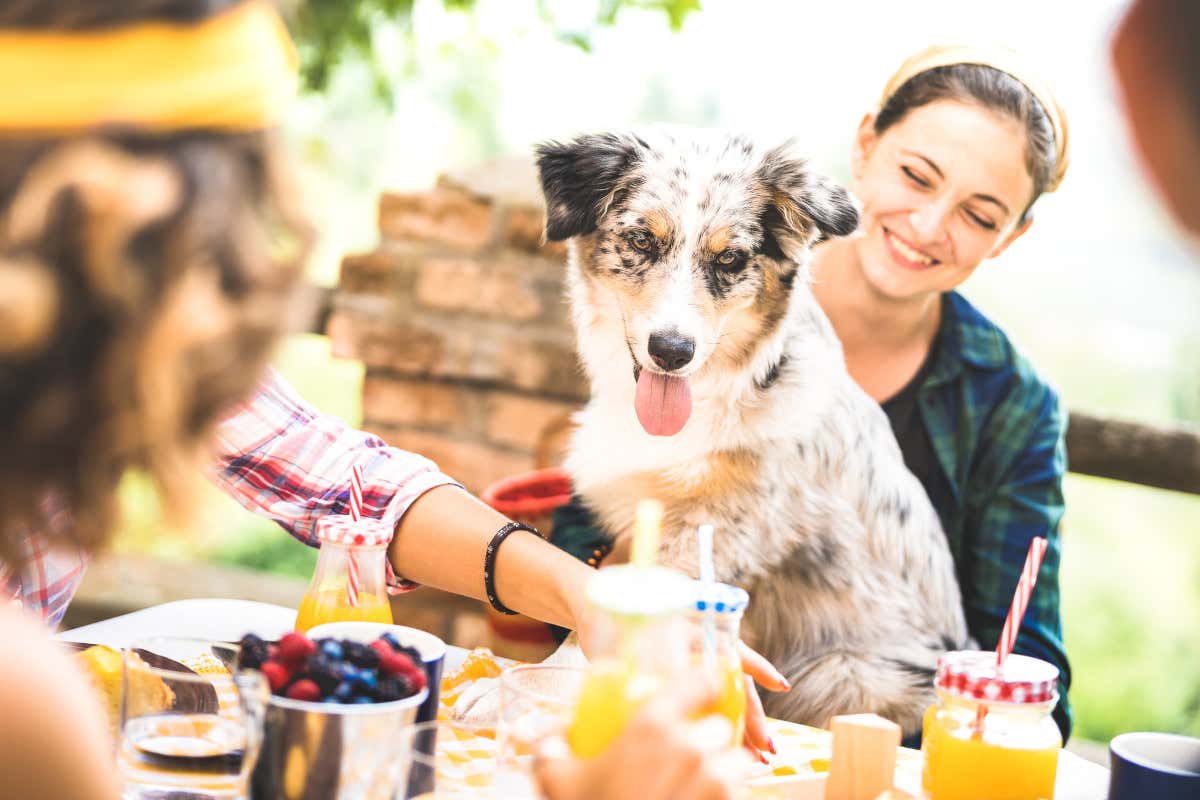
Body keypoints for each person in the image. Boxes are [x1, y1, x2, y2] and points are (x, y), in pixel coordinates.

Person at [0, 2, 764, 797]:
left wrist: (586, 596)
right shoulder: (25, 700)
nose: (235, 300)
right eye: (221, 253)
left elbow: (337, 475)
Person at [553, 44, 1076, 742]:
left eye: (980, 215)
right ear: (865, 148)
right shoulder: (665, 317)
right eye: (917, 176)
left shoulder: (1014, 404)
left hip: (872, 726)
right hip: (683, 709)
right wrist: (613, 578)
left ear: (1011, 236)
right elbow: (577, 550)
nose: (928, 226)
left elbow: (1033, 670)